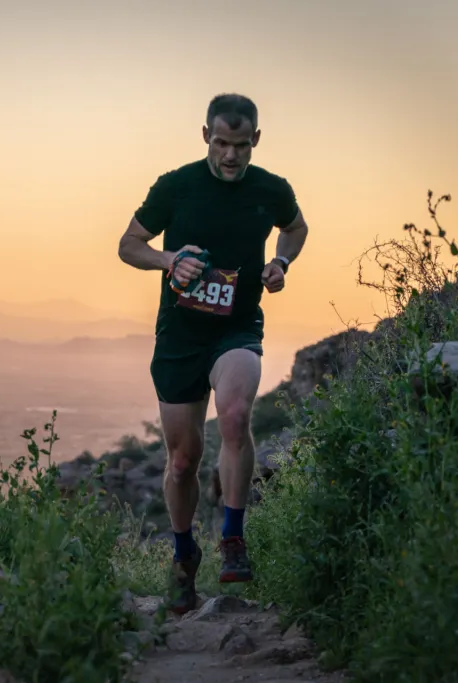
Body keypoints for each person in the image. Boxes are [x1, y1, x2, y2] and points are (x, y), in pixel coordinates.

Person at [116, 93, 309, 614]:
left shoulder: (271, 190)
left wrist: (281, 263)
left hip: (236, 330)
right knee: (182, 461)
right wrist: (168, 260)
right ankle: (184, 556)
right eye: (221, 143)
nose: (230, 155)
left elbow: (296, 229)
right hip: (180, 338)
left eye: (241, 146)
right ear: (206, 136)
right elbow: (128, 244)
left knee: (236, 414)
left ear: (255, 141)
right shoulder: (175, 186)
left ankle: (233, 537)